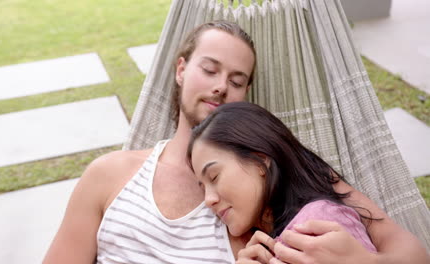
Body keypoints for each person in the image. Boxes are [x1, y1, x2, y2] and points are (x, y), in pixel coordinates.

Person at [43, 20, 428, 263]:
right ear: (180, 69)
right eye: (209, 69)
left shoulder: (275, 187)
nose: (220, 86)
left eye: (238, 80)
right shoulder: (110, 175)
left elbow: (411, 251)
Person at [187, 101, 383, 263]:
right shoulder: (272, 244)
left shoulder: (316, 222)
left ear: (260, 162)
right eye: (203, 187)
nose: (208, 200)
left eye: (214, 177)